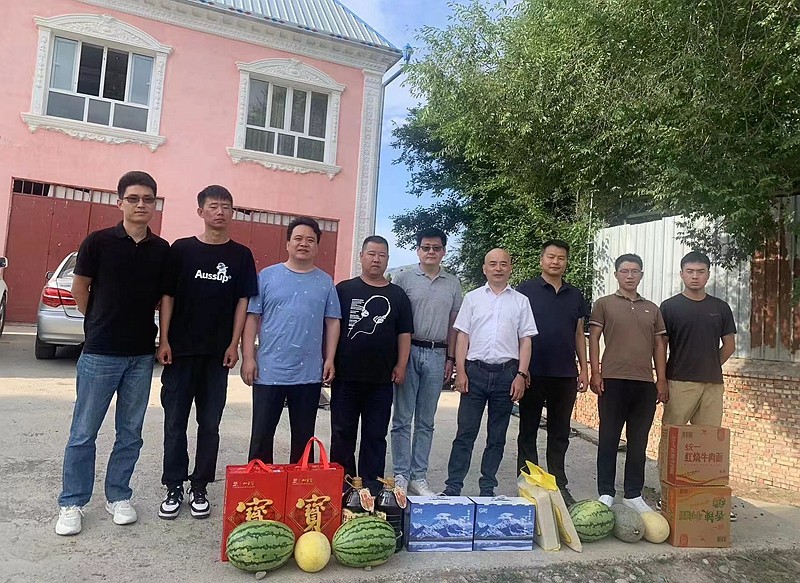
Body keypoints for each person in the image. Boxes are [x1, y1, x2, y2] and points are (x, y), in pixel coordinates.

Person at [55, 171, 169, 536]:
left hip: (140, 355)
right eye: (133, 198)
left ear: (155, 204)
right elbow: (80, 287)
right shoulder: (98, 242)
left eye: (147, 199)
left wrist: (163, 340)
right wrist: (97, 321)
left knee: (130, 432)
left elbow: (165, 298)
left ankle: (119, 495)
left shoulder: (161, 250)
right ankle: (72, 502)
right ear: (120, 202)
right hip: (100, 352)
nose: (141, 205)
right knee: (83, 432)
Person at [156, 185, 257, 520]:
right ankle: (173, 485)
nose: (220, 212)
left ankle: (199, 485)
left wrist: (234, 344)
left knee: (210, 424)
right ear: (200, 211)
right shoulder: (181, 250)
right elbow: (168, 297)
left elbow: (243, 301)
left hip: (217, 356)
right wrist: (164, 339)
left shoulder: (241, 255)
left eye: (226, 206)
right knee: (174, 422)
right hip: (181, 352)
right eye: (213, 206)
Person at [241, 217, 341, 464]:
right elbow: (252, 318)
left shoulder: (325, 282)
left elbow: (333, 322)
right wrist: (248, 358)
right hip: (269, 370)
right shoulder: (267, 276)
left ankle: (302, 486)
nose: (303, 244)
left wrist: (329, 358)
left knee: (304, 439)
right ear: (287, 244)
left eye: (310, 240)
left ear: (317, 247)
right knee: (262, 435)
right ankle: (261, 484)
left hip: (308, 373)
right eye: (298, 238)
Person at [441, 249, 538, 497]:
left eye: (503, 264)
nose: (498, 268)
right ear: (485, 269)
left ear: (510, 268)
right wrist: (461, 371)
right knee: (465, 433)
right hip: (475, 373)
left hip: (507, 375)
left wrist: (521, 375)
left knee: (497, 437)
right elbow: (463, 336)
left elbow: (526, 340)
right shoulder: (472, 298)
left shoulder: (520, 301)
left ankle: (487, 489)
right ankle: (453, 487)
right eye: (493, 264)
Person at [330, 236, 413, 495]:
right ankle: (343, 485)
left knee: (375, 435)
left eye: (382, 255)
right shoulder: (344, 290)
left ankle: (371, 487)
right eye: (371, 254)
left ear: (387, 259)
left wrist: (401, 365)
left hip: (381, 379)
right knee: (342, 432)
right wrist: (329, 360)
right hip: (346, 376)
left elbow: (404, 333)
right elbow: (332, 326)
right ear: (361, 256)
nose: (376, 259)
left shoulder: (397, 295)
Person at [658, 250, 737, 519]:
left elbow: (729, 345)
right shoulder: (669, 307)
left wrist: (711, 364)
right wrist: (661, 380)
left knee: (708, 445)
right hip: (679, 381)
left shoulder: (720, 307)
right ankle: (667, 497)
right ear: (682, 274)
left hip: (712, 384)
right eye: (690, 271)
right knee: (673, 441)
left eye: (700, 272)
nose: (695, 276)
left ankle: (708, 499)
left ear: (708, 275)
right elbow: (661, 346)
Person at [589, 253, 667, 514]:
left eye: (635, 271)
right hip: (612, 380)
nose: (630, 276)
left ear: (641, 275)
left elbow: (659, 345)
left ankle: (633, 493)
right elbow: (593, 338)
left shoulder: (652, 309)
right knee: (608, 438)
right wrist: (595, 372)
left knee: (638, 441)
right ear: (616, 275)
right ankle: (606, 492)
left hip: (644, 383)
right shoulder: (604, 304)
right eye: (625, 271)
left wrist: (661, 380)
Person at [515, 240, 590, 506]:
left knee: (560, 432)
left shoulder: (575, 295)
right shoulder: (525, 292)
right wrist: (521, 369)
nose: (555, 261)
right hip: (533, 372)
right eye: (550, 257)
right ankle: (528, 484)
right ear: (541, 260)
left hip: (565, 373)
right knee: (528, 430)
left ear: (566, 262)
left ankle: (558, 484)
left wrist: (584, 368)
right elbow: (517, 332)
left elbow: (579, 334)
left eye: (561, 258)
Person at [390, 227, 462, 496]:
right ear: (418, 250)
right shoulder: (403, 279)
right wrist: (397, 359)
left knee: (426, 421)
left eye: (436, 248)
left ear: (444, 251)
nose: (431, 252)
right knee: (402, 418)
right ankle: (400, 473)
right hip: (408, 352)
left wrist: (451, 358)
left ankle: (418, 476)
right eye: (426, 247)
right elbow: (394, 319)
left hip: (437, 354)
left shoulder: (452, 283)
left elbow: (454, 325)